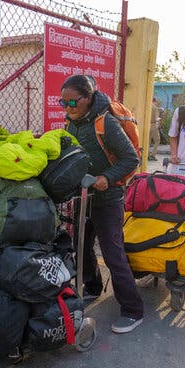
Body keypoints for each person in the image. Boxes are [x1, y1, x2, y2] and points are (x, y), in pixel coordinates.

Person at [61, 74, 145, 334]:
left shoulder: (105, 122)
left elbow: (131, 159)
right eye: (62, 103)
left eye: (72, 103)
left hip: (108, 198)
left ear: (87, 98)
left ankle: (133, 310)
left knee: (111, 253)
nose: (67, 108)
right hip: (83, 195)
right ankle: (93, 287)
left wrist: (106, 178)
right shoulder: (71, 122)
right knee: (81, 245)